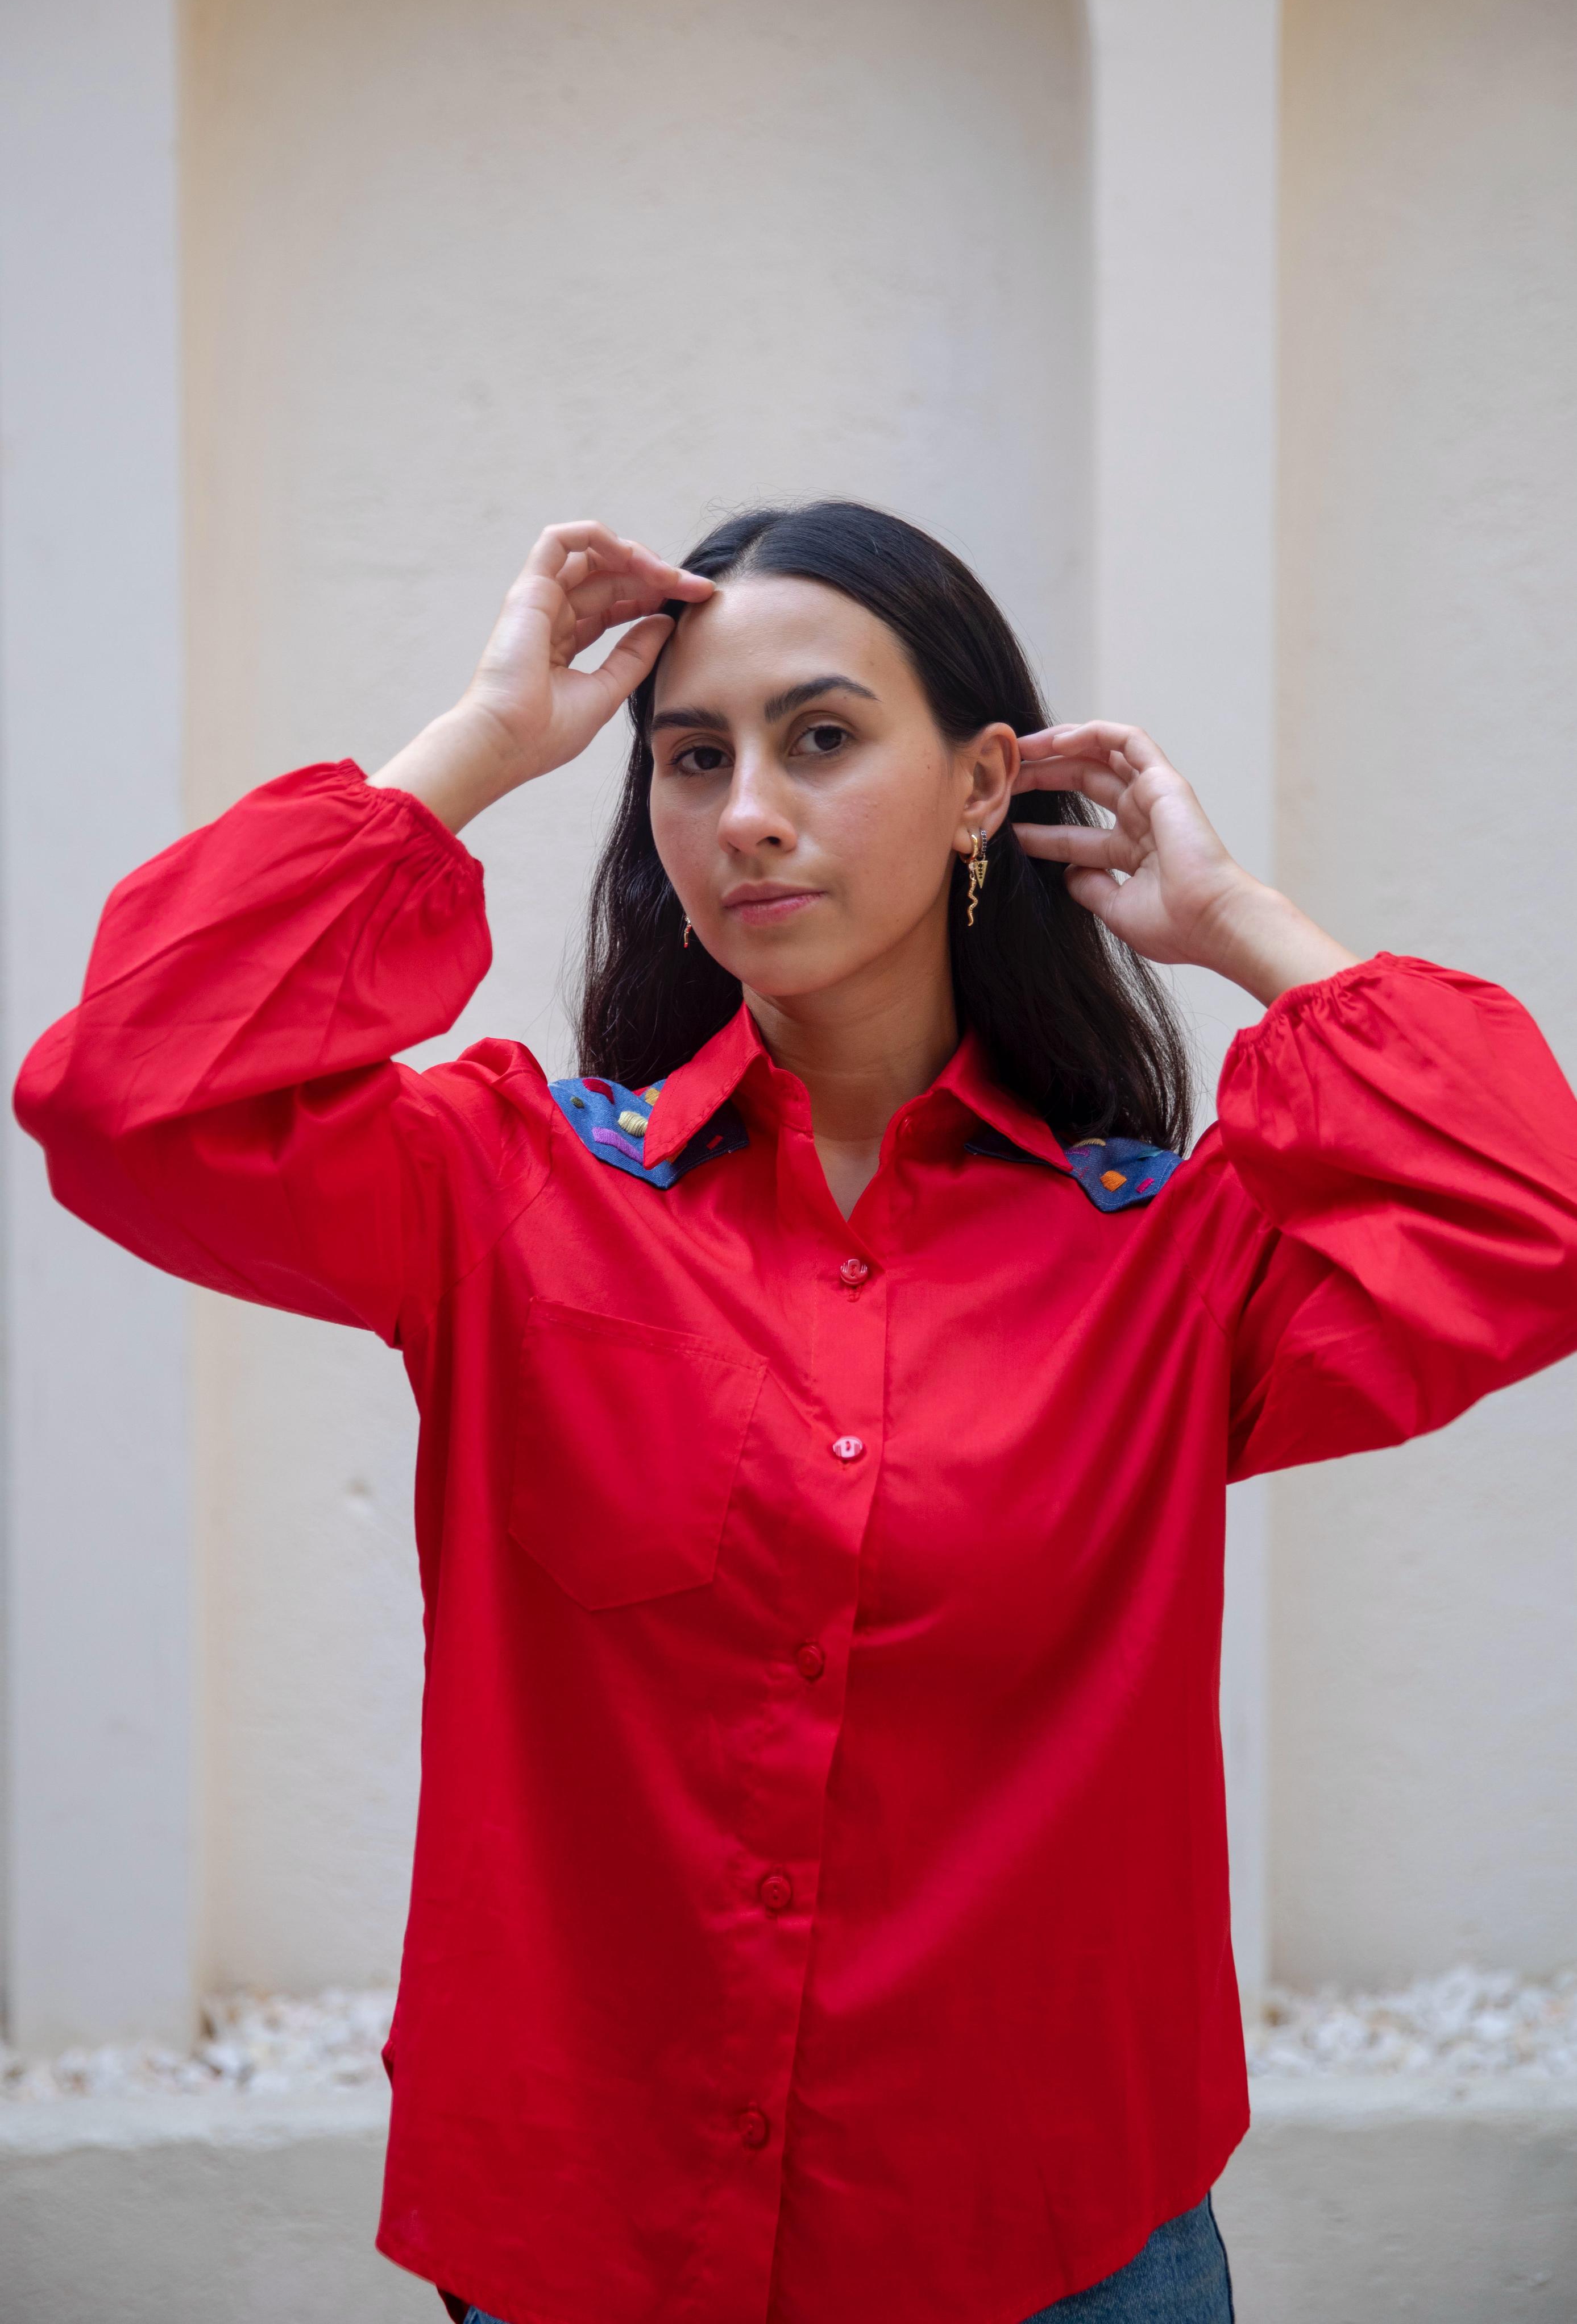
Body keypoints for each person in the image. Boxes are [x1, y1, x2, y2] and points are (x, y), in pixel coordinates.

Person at [16, 503, 1577, 2324]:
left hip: (1047, 2243)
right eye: (691, 758)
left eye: (821, 739)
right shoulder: (510, 1189)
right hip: (595, 2241)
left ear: (984, 785)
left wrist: (1233, 922)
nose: (745, 808)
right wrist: (482, 743)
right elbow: (122, 1095)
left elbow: (1532, 1222)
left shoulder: (1169, 1259)